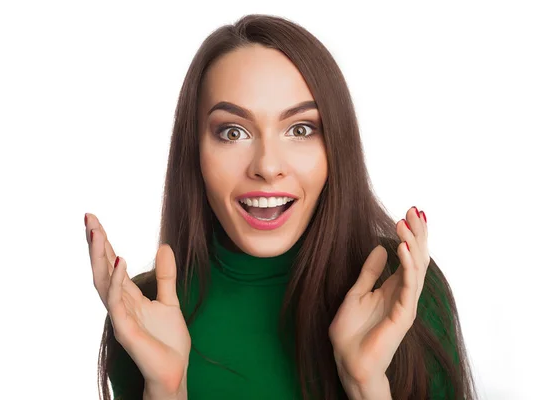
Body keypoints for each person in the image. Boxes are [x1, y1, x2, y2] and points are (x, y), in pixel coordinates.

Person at [85, 14, 477, 400]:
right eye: (233, 132)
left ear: (335, 146)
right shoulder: (141, 312)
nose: (268, 167)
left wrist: (366, 386)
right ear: (195, 152)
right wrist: (165, 391)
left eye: (300, 129)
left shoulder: (402, 287)